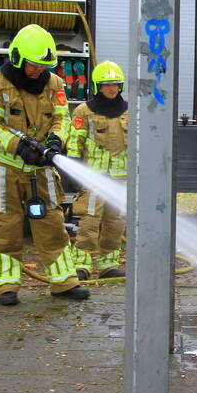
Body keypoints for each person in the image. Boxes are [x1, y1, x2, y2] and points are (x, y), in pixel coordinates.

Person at [0, 23, 89, 305]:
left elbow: (62, 117)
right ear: (17, 58)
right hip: (5, 171)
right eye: (33, 64)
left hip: (42, 170)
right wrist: (18, 147)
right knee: (6, 228)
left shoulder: (55, 84)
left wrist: (55, 141)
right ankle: (7, 287)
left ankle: (64, 283)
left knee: (53, 226)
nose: (38, 70)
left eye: (43, 66)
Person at [66, 60, 128, 280]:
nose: (112, 88)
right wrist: (74, 170)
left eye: (115, 84)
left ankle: (108, 266)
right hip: (94, 177)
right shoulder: (84, 111)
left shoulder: (129, 111)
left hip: (120, 177)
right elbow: (75, 141)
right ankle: (81, 265)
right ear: (98, 86)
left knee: (116, 222)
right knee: (89, 221)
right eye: (106, 84)